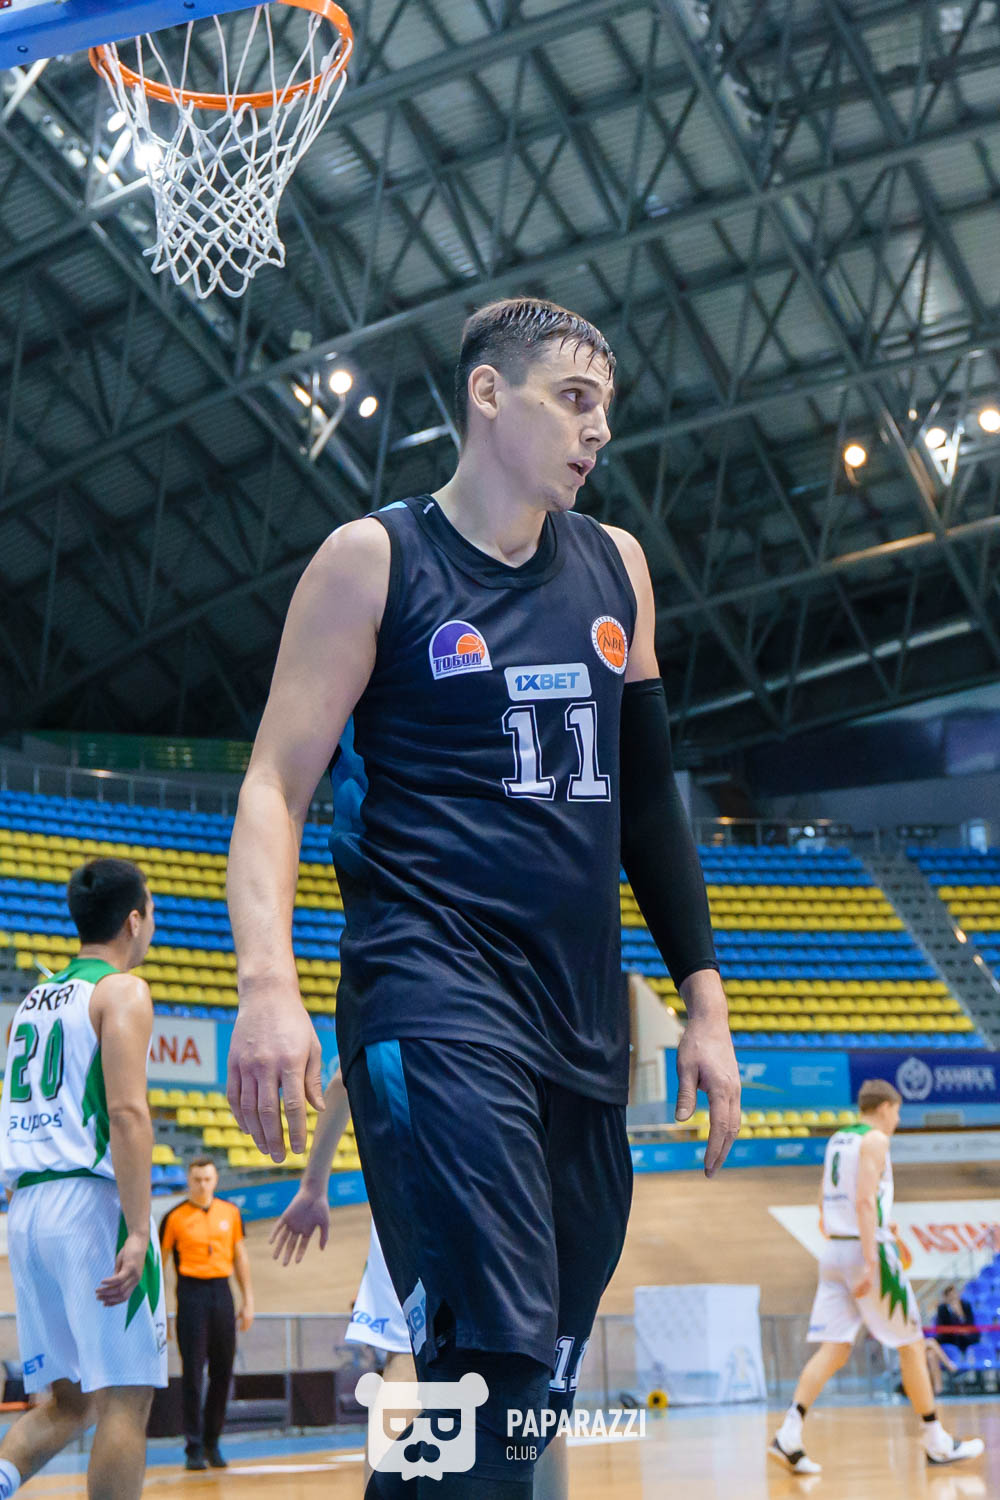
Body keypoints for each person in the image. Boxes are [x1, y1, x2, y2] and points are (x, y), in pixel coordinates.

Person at [226, 296, 741, 1497]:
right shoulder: (374, 561)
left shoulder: (617, 567)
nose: (598, 428)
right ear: (488, 395)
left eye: (606, 406)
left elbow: (649, 804)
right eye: (574, 400)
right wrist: (265, 985)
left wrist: (704, 1003)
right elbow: (272, 786)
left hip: (580, 1028)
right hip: (431, 998)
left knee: (514, 1405)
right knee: (495, 1366)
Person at [0, 858, 167, 1500]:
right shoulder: (121, 992)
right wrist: (138, 1229)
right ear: (134, 920)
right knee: (127, 1396)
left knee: (69, 1404)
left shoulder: (29, 1004)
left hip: (27, 1207)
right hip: (91, 1205)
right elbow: (127, 1113)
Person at [770, 1079, 984, 1474]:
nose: (898, 1120)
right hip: (865, 1254)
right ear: (885, 1107)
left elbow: (823, 1204)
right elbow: (865, 1201)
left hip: (834, 1250)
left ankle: (789, 1432)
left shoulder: (838, 1140)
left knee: (835, 1348)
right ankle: (936, 1441)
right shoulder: (875, 1140)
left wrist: (864, 1233)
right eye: (897, 1111)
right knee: (912, 1345)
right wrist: (871, 1258)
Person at [159, 1156, 254, 1470]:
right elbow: (160, 1265)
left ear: (215, 1180)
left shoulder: (230, 1212)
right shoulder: (174, 1217)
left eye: (208, 1179)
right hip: (191, 1294)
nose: (202, 1185)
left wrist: (248, 1299)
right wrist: (161, 1311)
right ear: (189, 1181)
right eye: (197, 1179)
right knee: (192, 1372)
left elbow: (240, 1257)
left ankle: (213, 1442)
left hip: (222, 1292)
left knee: (223, 1370)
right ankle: (194, 1447)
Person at [935, 1284, 980, 1356]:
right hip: (950, 1336)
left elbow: (970, 1323)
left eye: (954, 1295)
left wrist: (960, 1315)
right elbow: (941, 1327)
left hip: (965, 1335)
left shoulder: (965, 1305)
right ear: (946, 1298)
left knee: (972, 1335)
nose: (953, 1298)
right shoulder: (942, 1309)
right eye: (950, 1296)